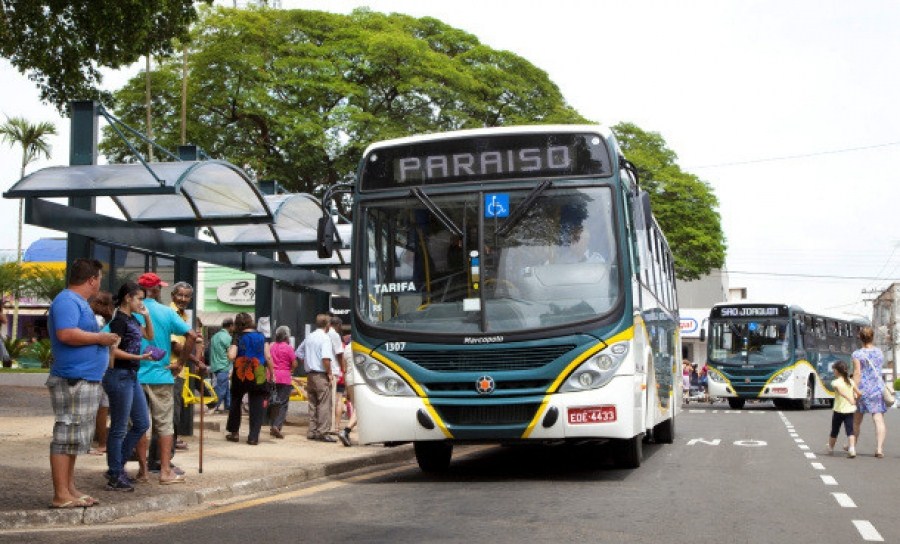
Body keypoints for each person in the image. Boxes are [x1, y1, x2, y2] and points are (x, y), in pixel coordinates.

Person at [46, 258, 120, 508]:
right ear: (92, 279)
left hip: (83, 378)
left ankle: (69, 488)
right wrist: (100, 338)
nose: (100, 283)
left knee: (75, 437)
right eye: (99, 278)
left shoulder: (79, 303)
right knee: (66, 433)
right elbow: (66, 334)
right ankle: (60, 493)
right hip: (73, 378)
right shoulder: (67, 301)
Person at [135, 272, 193, 484]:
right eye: (180, 295)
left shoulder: (130, 311)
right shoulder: (167, 312)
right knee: (165, 425)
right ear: (159, 290)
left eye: (187, 296)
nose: (183, 299)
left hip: (136, 376)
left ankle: (143, 471)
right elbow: (191, 337)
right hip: (162, 375)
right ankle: (164, 470)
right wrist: (182, 363)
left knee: (139, 425)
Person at [102, 281, 154, 491]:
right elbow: (112, 350)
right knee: (119, 428)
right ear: (127, 298)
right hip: (120, 375)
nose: (141, 302)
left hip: (131, 375)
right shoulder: (119, 321)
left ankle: (116, 466)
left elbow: (149, 335)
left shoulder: (132, 319)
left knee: (141, 423)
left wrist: (147, 315)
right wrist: (138, 356)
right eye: (139, 298)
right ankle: (115, 473)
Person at [226, 312, 272, 445]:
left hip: (241, 371)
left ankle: (234, 433)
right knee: (257, 403)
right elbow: (268, 356)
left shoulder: (237, 336)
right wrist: (272, 373)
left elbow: (231, 355)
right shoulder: (262, 336)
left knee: (236, 401)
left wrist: (232, 349)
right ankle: (253, 437)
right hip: (258, 371)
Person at [295, 314, 336, 442]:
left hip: (310, 374)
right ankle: (322, 431)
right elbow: (325, 359)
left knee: (312, 403)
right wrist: (329, 373)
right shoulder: (325, 339)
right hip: (320, 374)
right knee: (324, 403)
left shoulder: (310, 337)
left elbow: (298, 352)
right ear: (328, 325)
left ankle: (312, 430)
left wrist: (308, 362)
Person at [852, 326, 888, 458]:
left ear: (860, 338)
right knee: (878, 419)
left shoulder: (857, 354)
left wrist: (854, 389)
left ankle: (852, 447)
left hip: (862, 390)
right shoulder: (879, 353)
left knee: (856, 420)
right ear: (873, 337)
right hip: (877, 389)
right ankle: (879, 449)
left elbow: (857, 373)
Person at [87, 291, 114, 456]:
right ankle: (102, 443)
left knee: (95, 408)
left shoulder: (94, 320)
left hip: (94, 368)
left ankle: (96, 442)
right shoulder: (105, 321)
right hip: (103, 368)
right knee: (102, 408)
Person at [268, 325, 297, 439]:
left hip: (272, 376)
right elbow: (294, 363)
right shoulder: (288, 348)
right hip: (284, 377)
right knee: (283, 403)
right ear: (287, 336)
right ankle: (276, 425)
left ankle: (272, 424)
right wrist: (291, 370)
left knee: (273, 402)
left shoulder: (271, 346)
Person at [827, 360, 859, 458]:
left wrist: (849, 398)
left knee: (834, 430)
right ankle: (852, 449)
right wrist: (855, 399)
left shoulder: (835, 382)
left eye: (834, 370)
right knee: (850, 431)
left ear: (837, 371)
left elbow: (840, 391)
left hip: (838, 410)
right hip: (850, 410)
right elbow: (859, 393)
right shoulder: (851, 382)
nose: (833, 372)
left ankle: (831, 448)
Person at [208, 317, 234, 413]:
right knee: (222, 388)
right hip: (224, 366)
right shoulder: (228, 338)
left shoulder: (214, 336)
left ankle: (228, 406)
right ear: (230, 326)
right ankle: (214, 406)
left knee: (225, 386)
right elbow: (230, 353)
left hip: (215, 366)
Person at [337, 333, 357, 447]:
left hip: (349, 380)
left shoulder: (346, 349)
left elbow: (344, 368)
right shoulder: (361, 347)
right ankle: (346, 430)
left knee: (356, 408)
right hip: (359, 380)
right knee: (361, 409)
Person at [329, 316, 346, 434]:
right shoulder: (341, 343)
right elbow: (341, 356)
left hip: (329, 371)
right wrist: (343, 370)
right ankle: (336, 426)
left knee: (329, 400)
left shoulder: (325, 336)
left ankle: (329, 424)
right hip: (338, 372)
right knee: (339, 399)